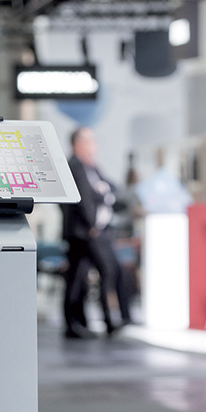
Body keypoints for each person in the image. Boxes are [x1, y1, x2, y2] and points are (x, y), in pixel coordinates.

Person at [62, 127, 134, 339]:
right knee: (92, 274)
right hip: (84, 233)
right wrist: (92, 224)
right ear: (79, 144)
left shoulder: (92, 167)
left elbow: (111, 188)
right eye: (90, 141)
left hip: (93, 232)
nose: (95, 145)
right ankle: (89, 322)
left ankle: (84, 322)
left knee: (82, 277)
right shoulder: (75, 166)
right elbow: (82, 199)